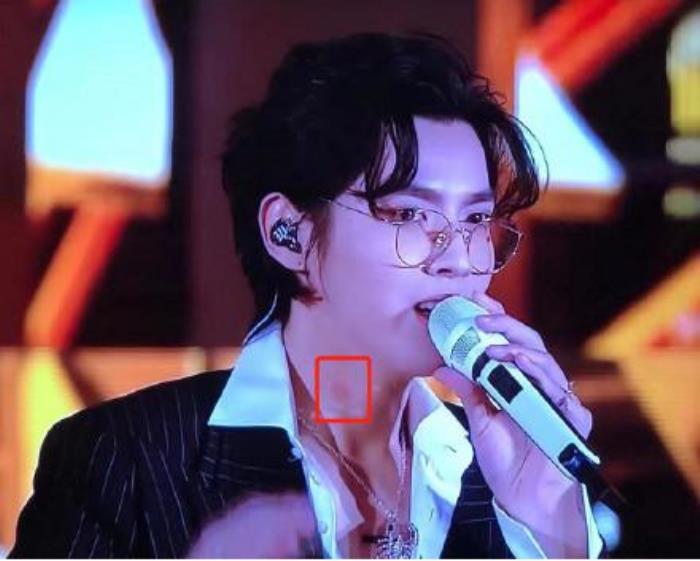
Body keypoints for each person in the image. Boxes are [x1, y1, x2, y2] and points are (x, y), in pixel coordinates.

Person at [10, 33, 604, 558]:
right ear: (288, 234)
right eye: (408, 214)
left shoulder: (503, 467)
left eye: (475, 220)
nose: (459, 259)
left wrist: (550, 526)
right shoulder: (126, 459)